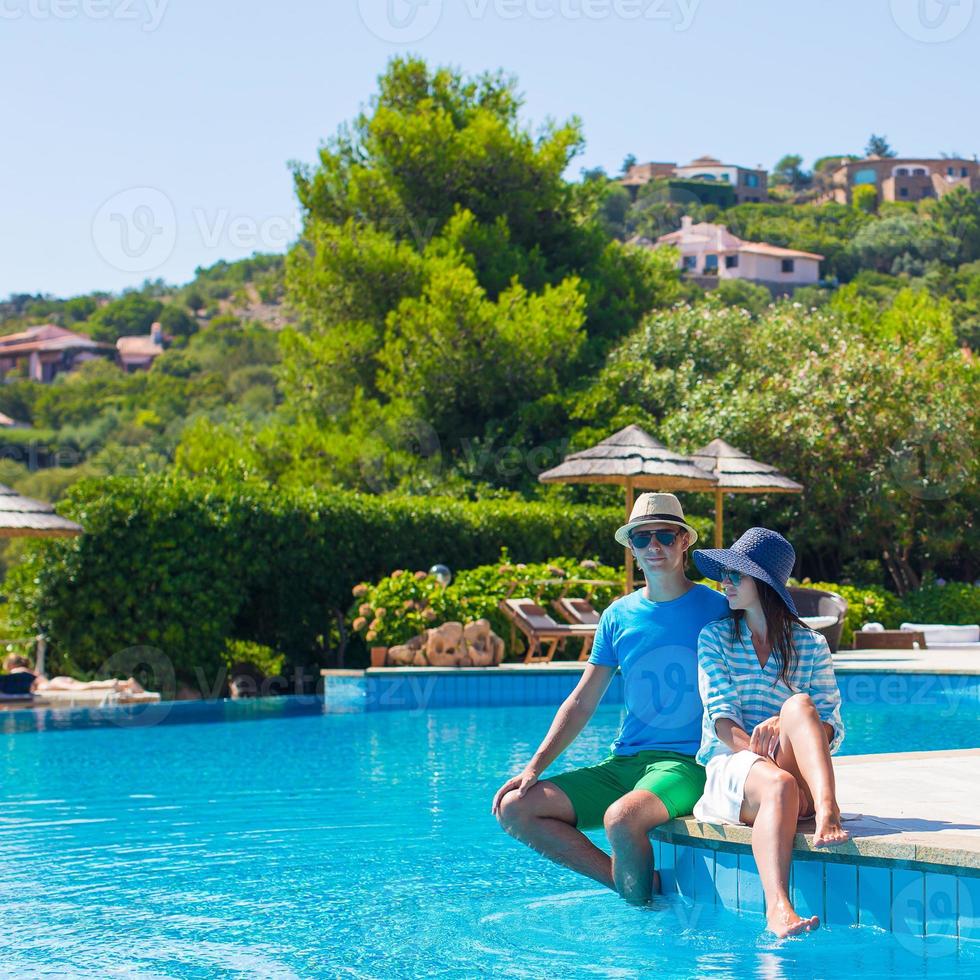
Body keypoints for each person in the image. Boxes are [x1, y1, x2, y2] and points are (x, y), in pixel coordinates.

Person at [492, 493, 729, 904]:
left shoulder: (719, 608)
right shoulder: (618, 615)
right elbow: (583, 700)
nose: (654, 546)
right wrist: (533, 768)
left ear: (684, 541)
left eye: (665, 536)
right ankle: (635, 889)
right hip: (623, 763)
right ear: (631, 548)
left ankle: (644, 925)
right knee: (515, 807)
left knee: (621, 818)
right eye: (642, 538)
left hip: (688, 764)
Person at [690, 527, 848, 938]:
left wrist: (787, 720)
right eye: (724, 573)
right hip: (735, 766)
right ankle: (778, 908)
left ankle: (828, 807)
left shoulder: (810, 644)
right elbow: (723, 723)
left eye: (735, 575)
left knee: (800, 706)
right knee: (777, 784)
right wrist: (759, 757)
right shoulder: (716, 638)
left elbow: (831, 724)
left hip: (798, 777)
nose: (725, 582)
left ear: (763, 583)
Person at [2, 654, 146, 695]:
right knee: (85, 685)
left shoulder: (18, 672)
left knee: (83, 688)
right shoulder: (32, 671)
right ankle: (125, 684)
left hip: (52, 685)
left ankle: (124, 684)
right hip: (57, 681)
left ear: (12, 665)